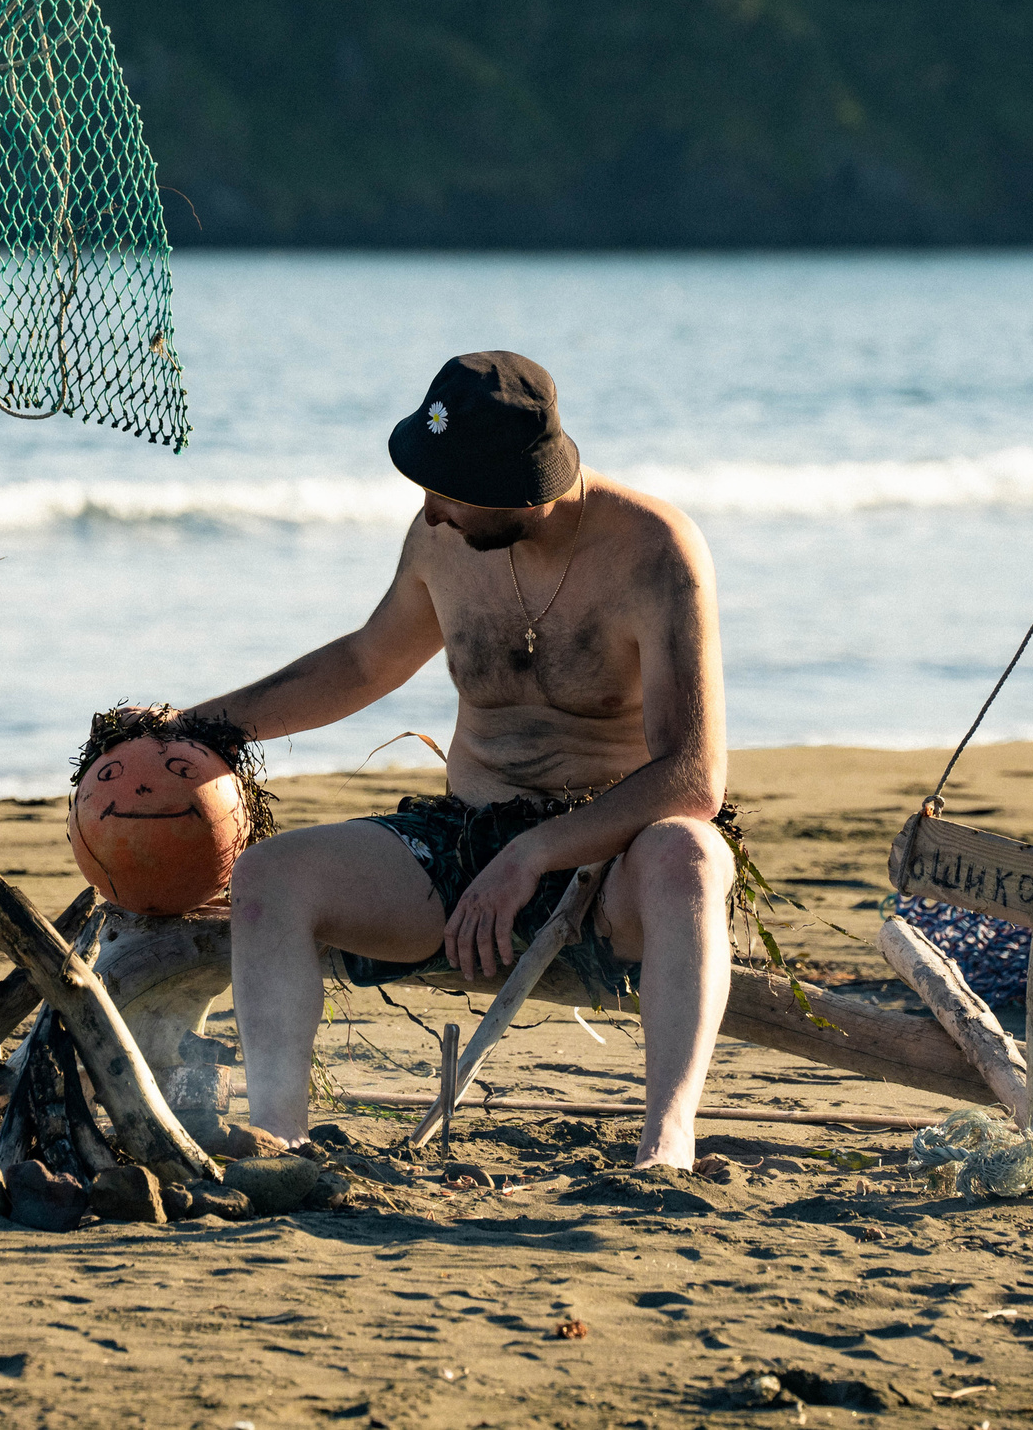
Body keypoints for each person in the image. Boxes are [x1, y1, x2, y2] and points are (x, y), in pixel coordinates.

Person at [188, 351, 735, 1170]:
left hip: (613, 861)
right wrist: (199, 725)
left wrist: (537, 853)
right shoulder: (440, 537)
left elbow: (693, 776)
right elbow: (365, 663)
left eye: (449, 491)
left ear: (524, 492)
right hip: (465, 844)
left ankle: (666, 1143)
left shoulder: (655, 552)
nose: (431, 508)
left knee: (691, 855)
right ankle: (281, 1144)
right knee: (270, 877)